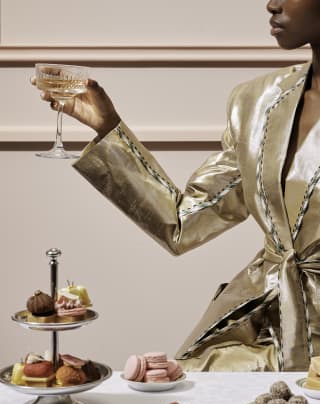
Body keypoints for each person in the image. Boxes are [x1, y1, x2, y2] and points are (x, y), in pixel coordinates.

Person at [35, 0, 320, 372]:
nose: (272, 4)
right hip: (261, 329)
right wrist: (108, 128)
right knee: (187, 395)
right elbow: (183, 224)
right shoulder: (257, 102)